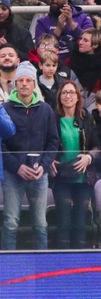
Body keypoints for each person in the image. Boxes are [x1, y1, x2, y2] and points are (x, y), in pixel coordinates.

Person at [1, 62, 59, 250]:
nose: (24, 84)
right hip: (13, 174)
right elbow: (1, 146)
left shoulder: (46, 110)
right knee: (11, 222)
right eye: (21, 80)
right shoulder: (5, 109)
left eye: (28, 80)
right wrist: (16, 167)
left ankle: (41, 266)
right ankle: (8, 268)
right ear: (15, 84)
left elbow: (53, 141)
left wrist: (44, 165)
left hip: (38, 174)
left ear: (34, 84)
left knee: (40, 224)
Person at [51, 80, 101, 249]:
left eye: (71, 92)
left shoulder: (86, 117)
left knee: (80, 223)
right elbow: (46, 143)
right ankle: (62, 263)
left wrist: (89, 158)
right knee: (63, 223)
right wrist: (49, 159)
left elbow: (96, 146)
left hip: (83, 178)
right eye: (64, 93)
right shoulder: (53, 118)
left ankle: (78, 262)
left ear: (78, 96)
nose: (68, 96)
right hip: (61, 176)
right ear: (59, 97)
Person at [30, 0, 94, 63]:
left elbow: (91, 44)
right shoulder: (42, 22)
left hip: (80, 66)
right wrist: (58, 29)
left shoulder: (84, 18)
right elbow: (41, 50)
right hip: (52, 68)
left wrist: (72, 23)